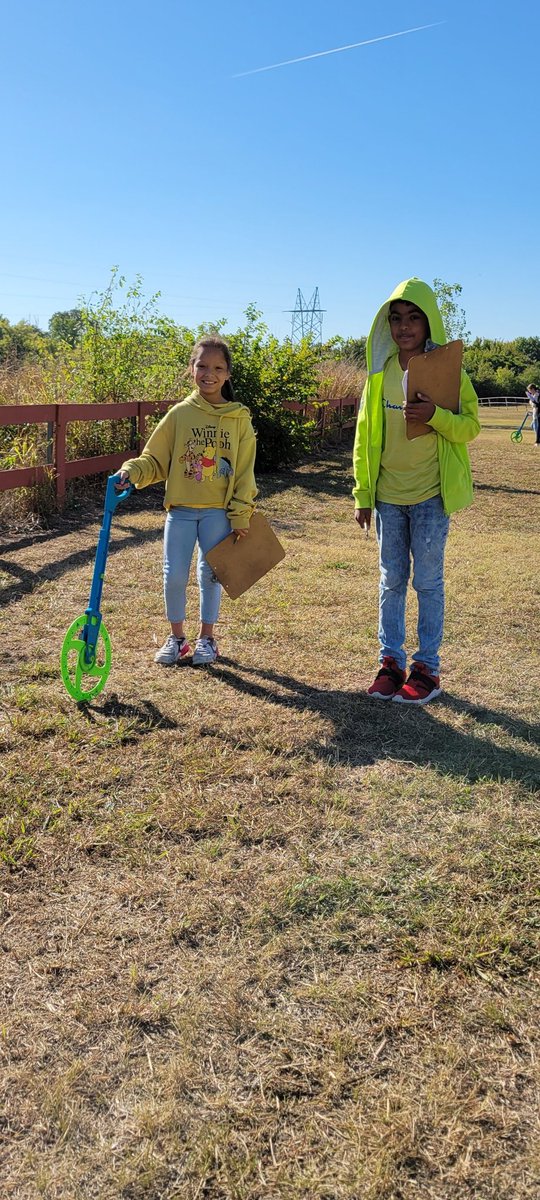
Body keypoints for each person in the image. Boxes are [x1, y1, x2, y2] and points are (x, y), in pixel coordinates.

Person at [352, 278, 480, 704]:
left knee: (427, 582)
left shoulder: (447, 369)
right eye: (396, 319)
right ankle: (391, 664)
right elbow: (364, 437)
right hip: (388, 497)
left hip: (430, 497)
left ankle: (426, 669)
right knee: (391, 582)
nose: (404, 327)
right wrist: (363, 494)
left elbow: (471, 426)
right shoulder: (380, 373)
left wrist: (437, 415)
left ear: (429, 322)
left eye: (413, 318)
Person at [115, 335, 257, 666]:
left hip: (217, 513)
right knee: (174, 575)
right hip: (179, 511)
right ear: (190, 369)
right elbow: (154, 459)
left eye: (218, 367)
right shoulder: (179, 415)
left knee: (211, 575)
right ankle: (177, 639)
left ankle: (207, 639)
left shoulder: (239, 419)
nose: (209, 373)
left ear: (228, 374)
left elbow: (244, 472)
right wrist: (131, 470)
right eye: (202, 365)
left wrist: (241, 513)